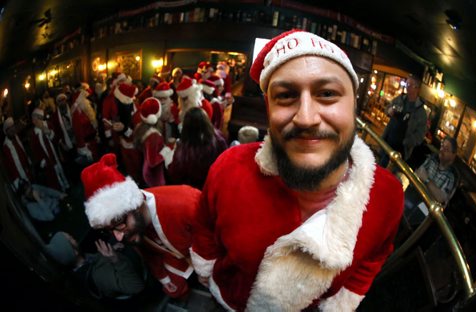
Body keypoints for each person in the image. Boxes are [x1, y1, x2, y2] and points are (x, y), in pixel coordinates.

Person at [190, 30, 404, 311]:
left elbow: (374, 258)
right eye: (286, 96)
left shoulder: (387, 195)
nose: (306, 118)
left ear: (354, 107)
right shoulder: (229, 168)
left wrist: (344, 300)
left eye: (327, 94)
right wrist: (206, 274)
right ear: (269, 109)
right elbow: (204, 228)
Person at [81, 153, 201, 300]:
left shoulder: (186, 202)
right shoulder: (133, 229)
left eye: (118, 223)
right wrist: (164, 278)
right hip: (180, 265)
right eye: (109, 230)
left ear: (134, 204)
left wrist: (207, 271)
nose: (118, 237)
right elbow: (150, 254)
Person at [45, 231, 147, 299]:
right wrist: (115, 259)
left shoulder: (85, 261)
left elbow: (97, 261)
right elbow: (137, 286)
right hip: (140, 275)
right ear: (74, 252)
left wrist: (112, 249)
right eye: (70, 239)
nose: (73, 237)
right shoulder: (98, 275)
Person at [404, 136, 459, 225]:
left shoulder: (451, 176)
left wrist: (426, 180)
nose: (442, 150)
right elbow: (418, 173)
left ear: (453, 155)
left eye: (446, 149)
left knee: (412, 218)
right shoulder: (433, 158)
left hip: (427, 209)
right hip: (415, 194)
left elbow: (441, 199)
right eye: (442, 146)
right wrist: (432, 190)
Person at [168, 107, 227, 190]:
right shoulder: (219, 139)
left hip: (193, 190)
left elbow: (175, 173)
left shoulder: (185, 148)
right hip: (213, 185)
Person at [380, 75, 427, 167]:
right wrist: (389, 110)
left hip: (401, 151)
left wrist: (406, 141)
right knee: (380, 166)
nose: (407, 86)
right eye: (407, 83)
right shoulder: (400, 99)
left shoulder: (421, 112)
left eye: (410, 85)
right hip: (387, 141)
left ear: (417, 89)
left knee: (391, 174)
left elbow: (420, 136)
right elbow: (388, 108)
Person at [133, 97, 174, 187]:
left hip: (148, 171)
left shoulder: (142, 127)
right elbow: (152, 161)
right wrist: (168, 148)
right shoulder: (153, 136)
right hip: (154, 175)